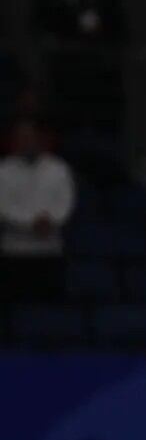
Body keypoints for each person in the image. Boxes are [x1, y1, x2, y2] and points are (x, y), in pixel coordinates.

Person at [0, 117, 76, 305]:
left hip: (49, 251)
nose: (26, 141)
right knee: (15, 308)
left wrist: (50, 221)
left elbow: (65, 203)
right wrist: (31, 223)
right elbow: (3, 207)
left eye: (30, 136)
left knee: (48, 311)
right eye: (21, 137)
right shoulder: (4, 170)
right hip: (14, 252)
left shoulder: (59, 169)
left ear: (39, 138)